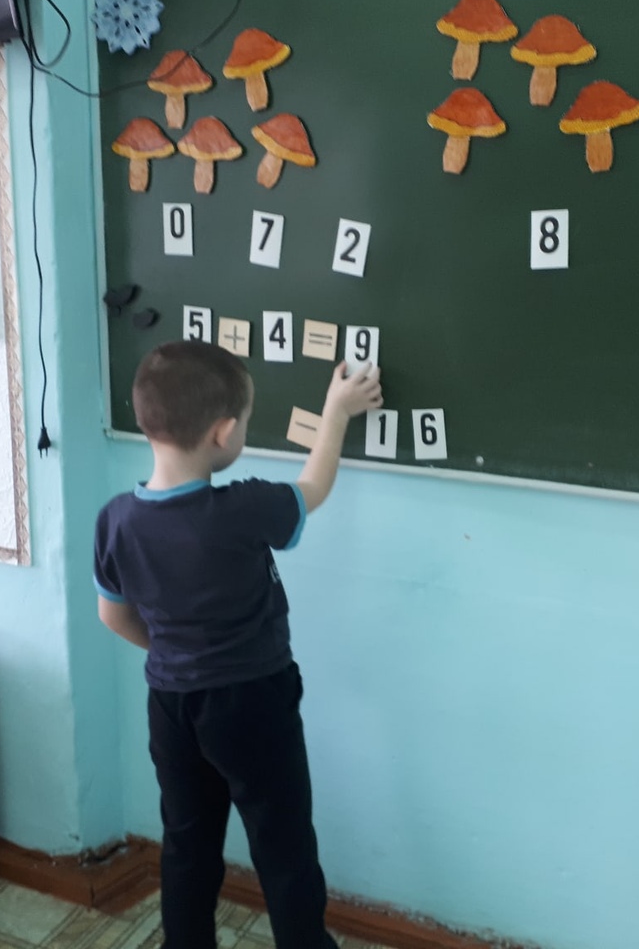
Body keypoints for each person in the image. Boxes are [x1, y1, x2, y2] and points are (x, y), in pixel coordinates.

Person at [94, 341, 382, 949]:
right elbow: (314, 486)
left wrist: (174, 653)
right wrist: (336, 410)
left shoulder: (116, 519)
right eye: (246, 422)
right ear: (223, 433)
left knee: (187, 843)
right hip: (253, 703)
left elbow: (112, 614)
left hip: (170, 703)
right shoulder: (244, 508)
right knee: (283, 845)